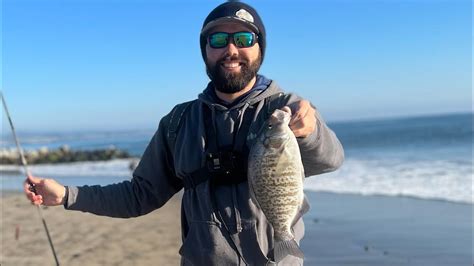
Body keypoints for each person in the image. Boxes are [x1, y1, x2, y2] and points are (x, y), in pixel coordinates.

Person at [24, 1, 344, 265]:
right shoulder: (178, 122)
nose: (231, 49)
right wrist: (66, 195)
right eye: (218, 40)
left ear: (260, 48)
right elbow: (139, 195)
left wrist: (311, 132)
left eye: (244, 39)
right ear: (204, 50)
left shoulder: (286, 109)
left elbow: (330, 159)